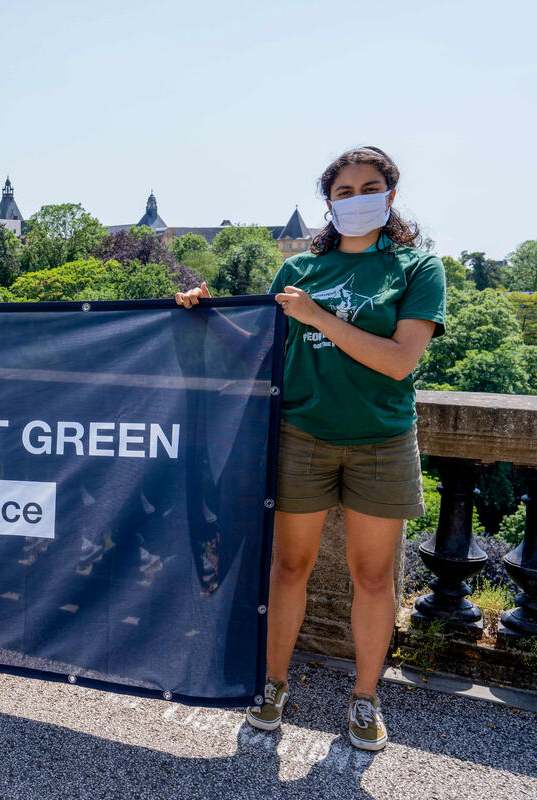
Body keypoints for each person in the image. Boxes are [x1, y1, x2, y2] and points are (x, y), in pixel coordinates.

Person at [175, 146, 445, 751]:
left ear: (390, 196)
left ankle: (366, 698)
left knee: (373, 577)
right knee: (289, 566)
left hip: (382, 440)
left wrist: (320, 319)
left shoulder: (417, 267)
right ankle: (273, 686)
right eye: (343, 192)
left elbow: (399, 362)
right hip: (300, 434)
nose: (356, 199)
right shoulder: (297, 272)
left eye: (368, 188)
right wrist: (204, 313)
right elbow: (259, 349)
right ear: (330, 202)